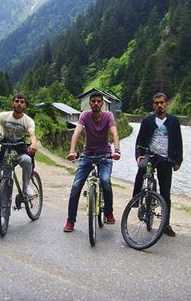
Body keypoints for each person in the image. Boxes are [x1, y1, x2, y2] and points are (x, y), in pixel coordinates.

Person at [63, 91, 121, 232]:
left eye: (98, 101)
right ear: (90, 103)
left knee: (105, 181)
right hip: (87, 154)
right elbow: (77, 132)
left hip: (105, 155)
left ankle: (108, 212)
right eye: (93, 101)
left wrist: (117, 151)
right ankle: (70, 221)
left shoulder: (108, 116)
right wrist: (72, 151)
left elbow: (114, 133)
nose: (96, 103)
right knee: (76, 186)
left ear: (102, 103)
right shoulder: (85, 115)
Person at [133, 92, 183, 237]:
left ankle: (166, 224)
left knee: (165, 192)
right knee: (142, 168)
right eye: (156, 103)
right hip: (150, 155)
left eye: (162, 102)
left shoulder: (174, 121)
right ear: (153, 105)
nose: (159, 105)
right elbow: (140, 140)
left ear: (166, 104)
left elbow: (178, 142)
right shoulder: (147, 121)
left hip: (166, 159)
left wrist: (178, 160)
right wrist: (138, 156)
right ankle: (136, 200)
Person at [0, 93, 38, 197]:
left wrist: (34, 144)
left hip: (21, 149)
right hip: (6, 149)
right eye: (17, 101)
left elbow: (32, 135)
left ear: (25, 105)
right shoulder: (4, 116)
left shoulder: (28, 120)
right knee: (5, 172)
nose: (19, 104)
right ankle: (4, 206)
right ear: (13, 103)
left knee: (27, 160)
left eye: (22, 102)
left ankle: (26, 187)